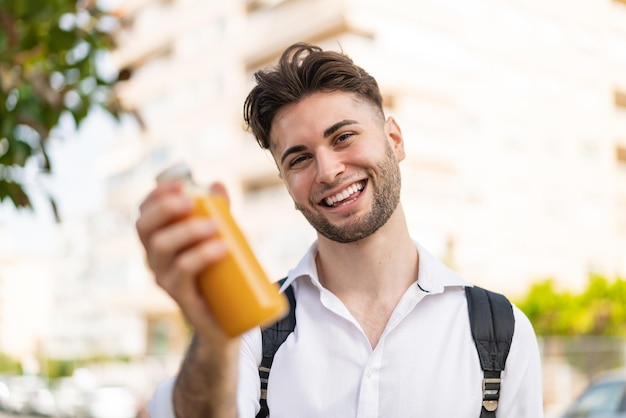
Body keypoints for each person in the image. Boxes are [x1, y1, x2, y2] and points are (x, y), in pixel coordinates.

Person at [136, 42, 543, 417]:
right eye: (299, 159)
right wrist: (214, 333)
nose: (328, 171)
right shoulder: (248, 334)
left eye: (344, 136)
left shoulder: (501, 332)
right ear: (286, 184)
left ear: (395, 140)